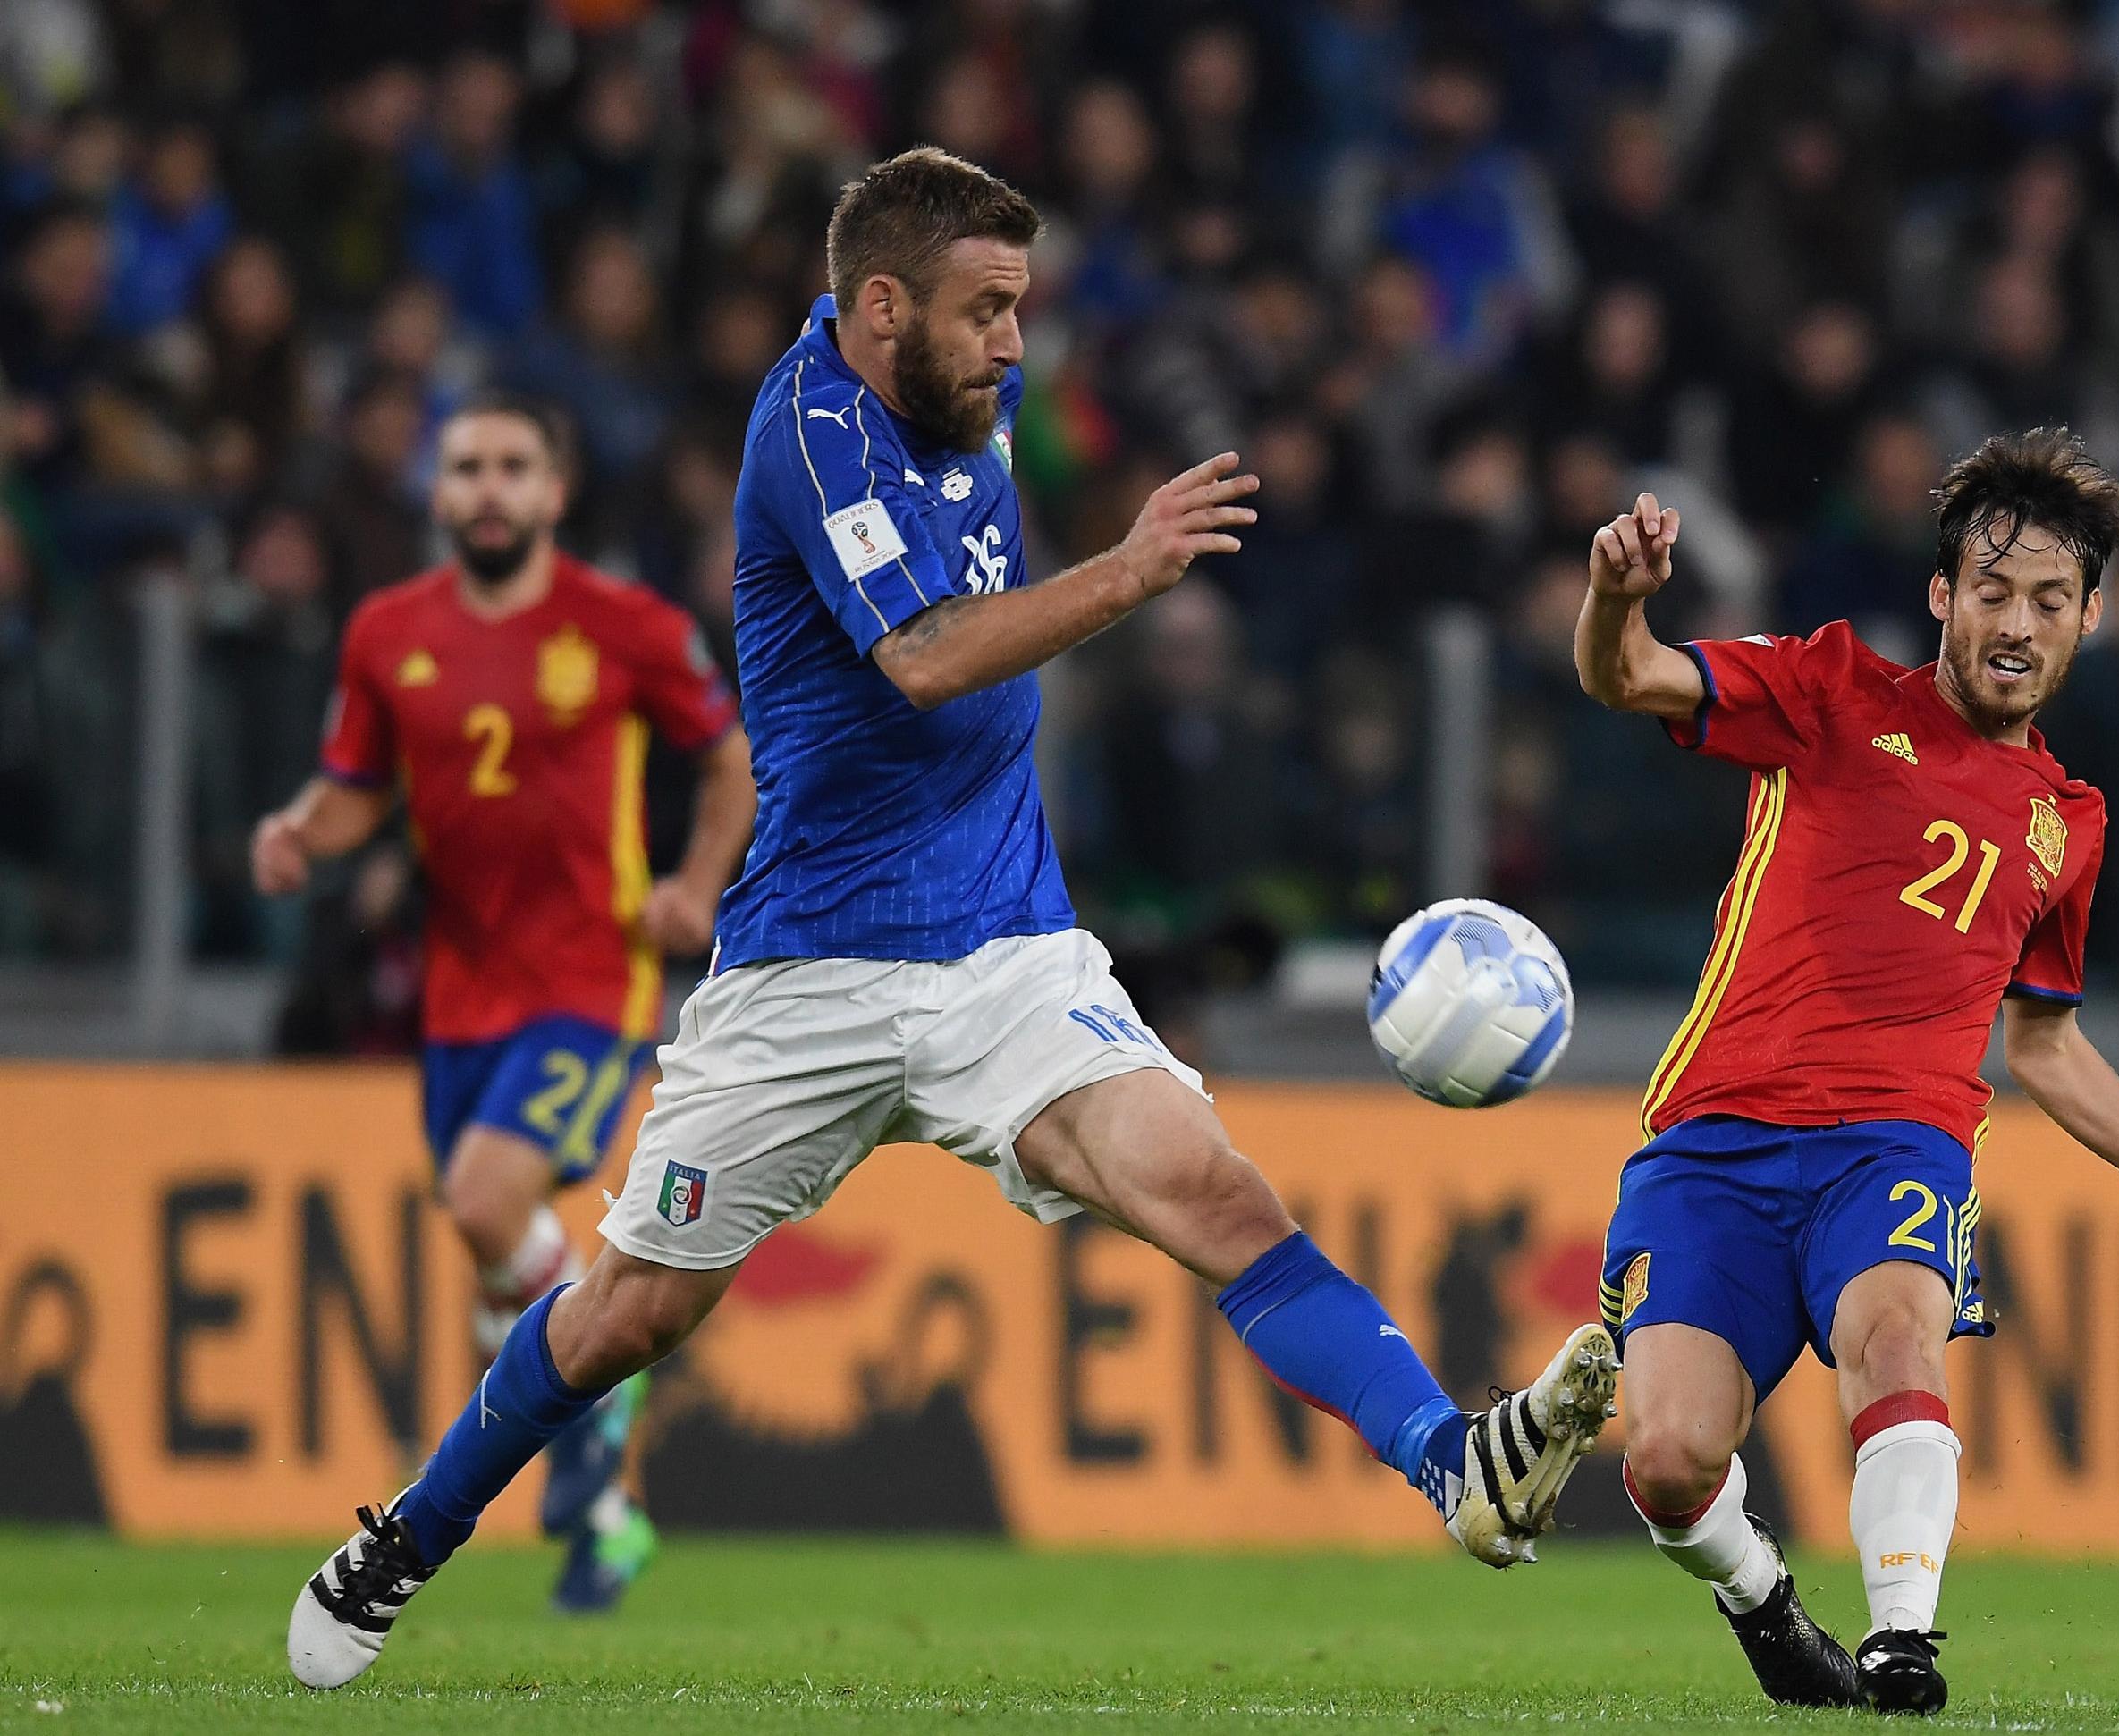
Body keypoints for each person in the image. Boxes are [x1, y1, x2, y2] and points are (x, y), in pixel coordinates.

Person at [286, 147, 1617, 1690]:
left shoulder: (959, 409)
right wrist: (1127, 569)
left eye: (1021, 307)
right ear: (877, 307)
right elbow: (920, 658)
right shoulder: (813, 427)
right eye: (985, 309)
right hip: (808, 968)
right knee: (624, 1316)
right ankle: (404, 1541)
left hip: (1002, 949)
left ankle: (1454, 1460)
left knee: (1213, 1194)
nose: (1013, 343)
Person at [1573, 431, 2119, 1715]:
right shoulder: (1823, 691)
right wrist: (1614, 596)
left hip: (1896, 1145)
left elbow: (2041, 1044)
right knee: (1663, 1458)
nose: (2016, 623)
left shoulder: (2066, 822)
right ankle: (1759, 1598)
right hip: (1711, 1144)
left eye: (2049, 600)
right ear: (1940, 596)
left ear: (2090, 617)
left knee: (1892, 1332)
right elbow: (1625, 676)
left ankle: (1902, 1639)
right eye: (1990, 591)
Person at [253, 393, 757, 1614]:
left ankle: (594, 1383)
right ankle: (600, 1493)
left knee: (486, 1198)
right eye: (466, 465)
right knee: (496, 1263)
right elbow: (356, 785)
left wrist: (694, 886)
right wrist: (299, 832)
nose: (487, 486)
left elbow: (730, 753)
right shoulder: (387, 631)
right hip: (458, 993)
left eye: (512, 466)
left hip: (590, 980)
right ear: (439, 489)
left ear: (553, 490)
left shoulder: (623, 625)